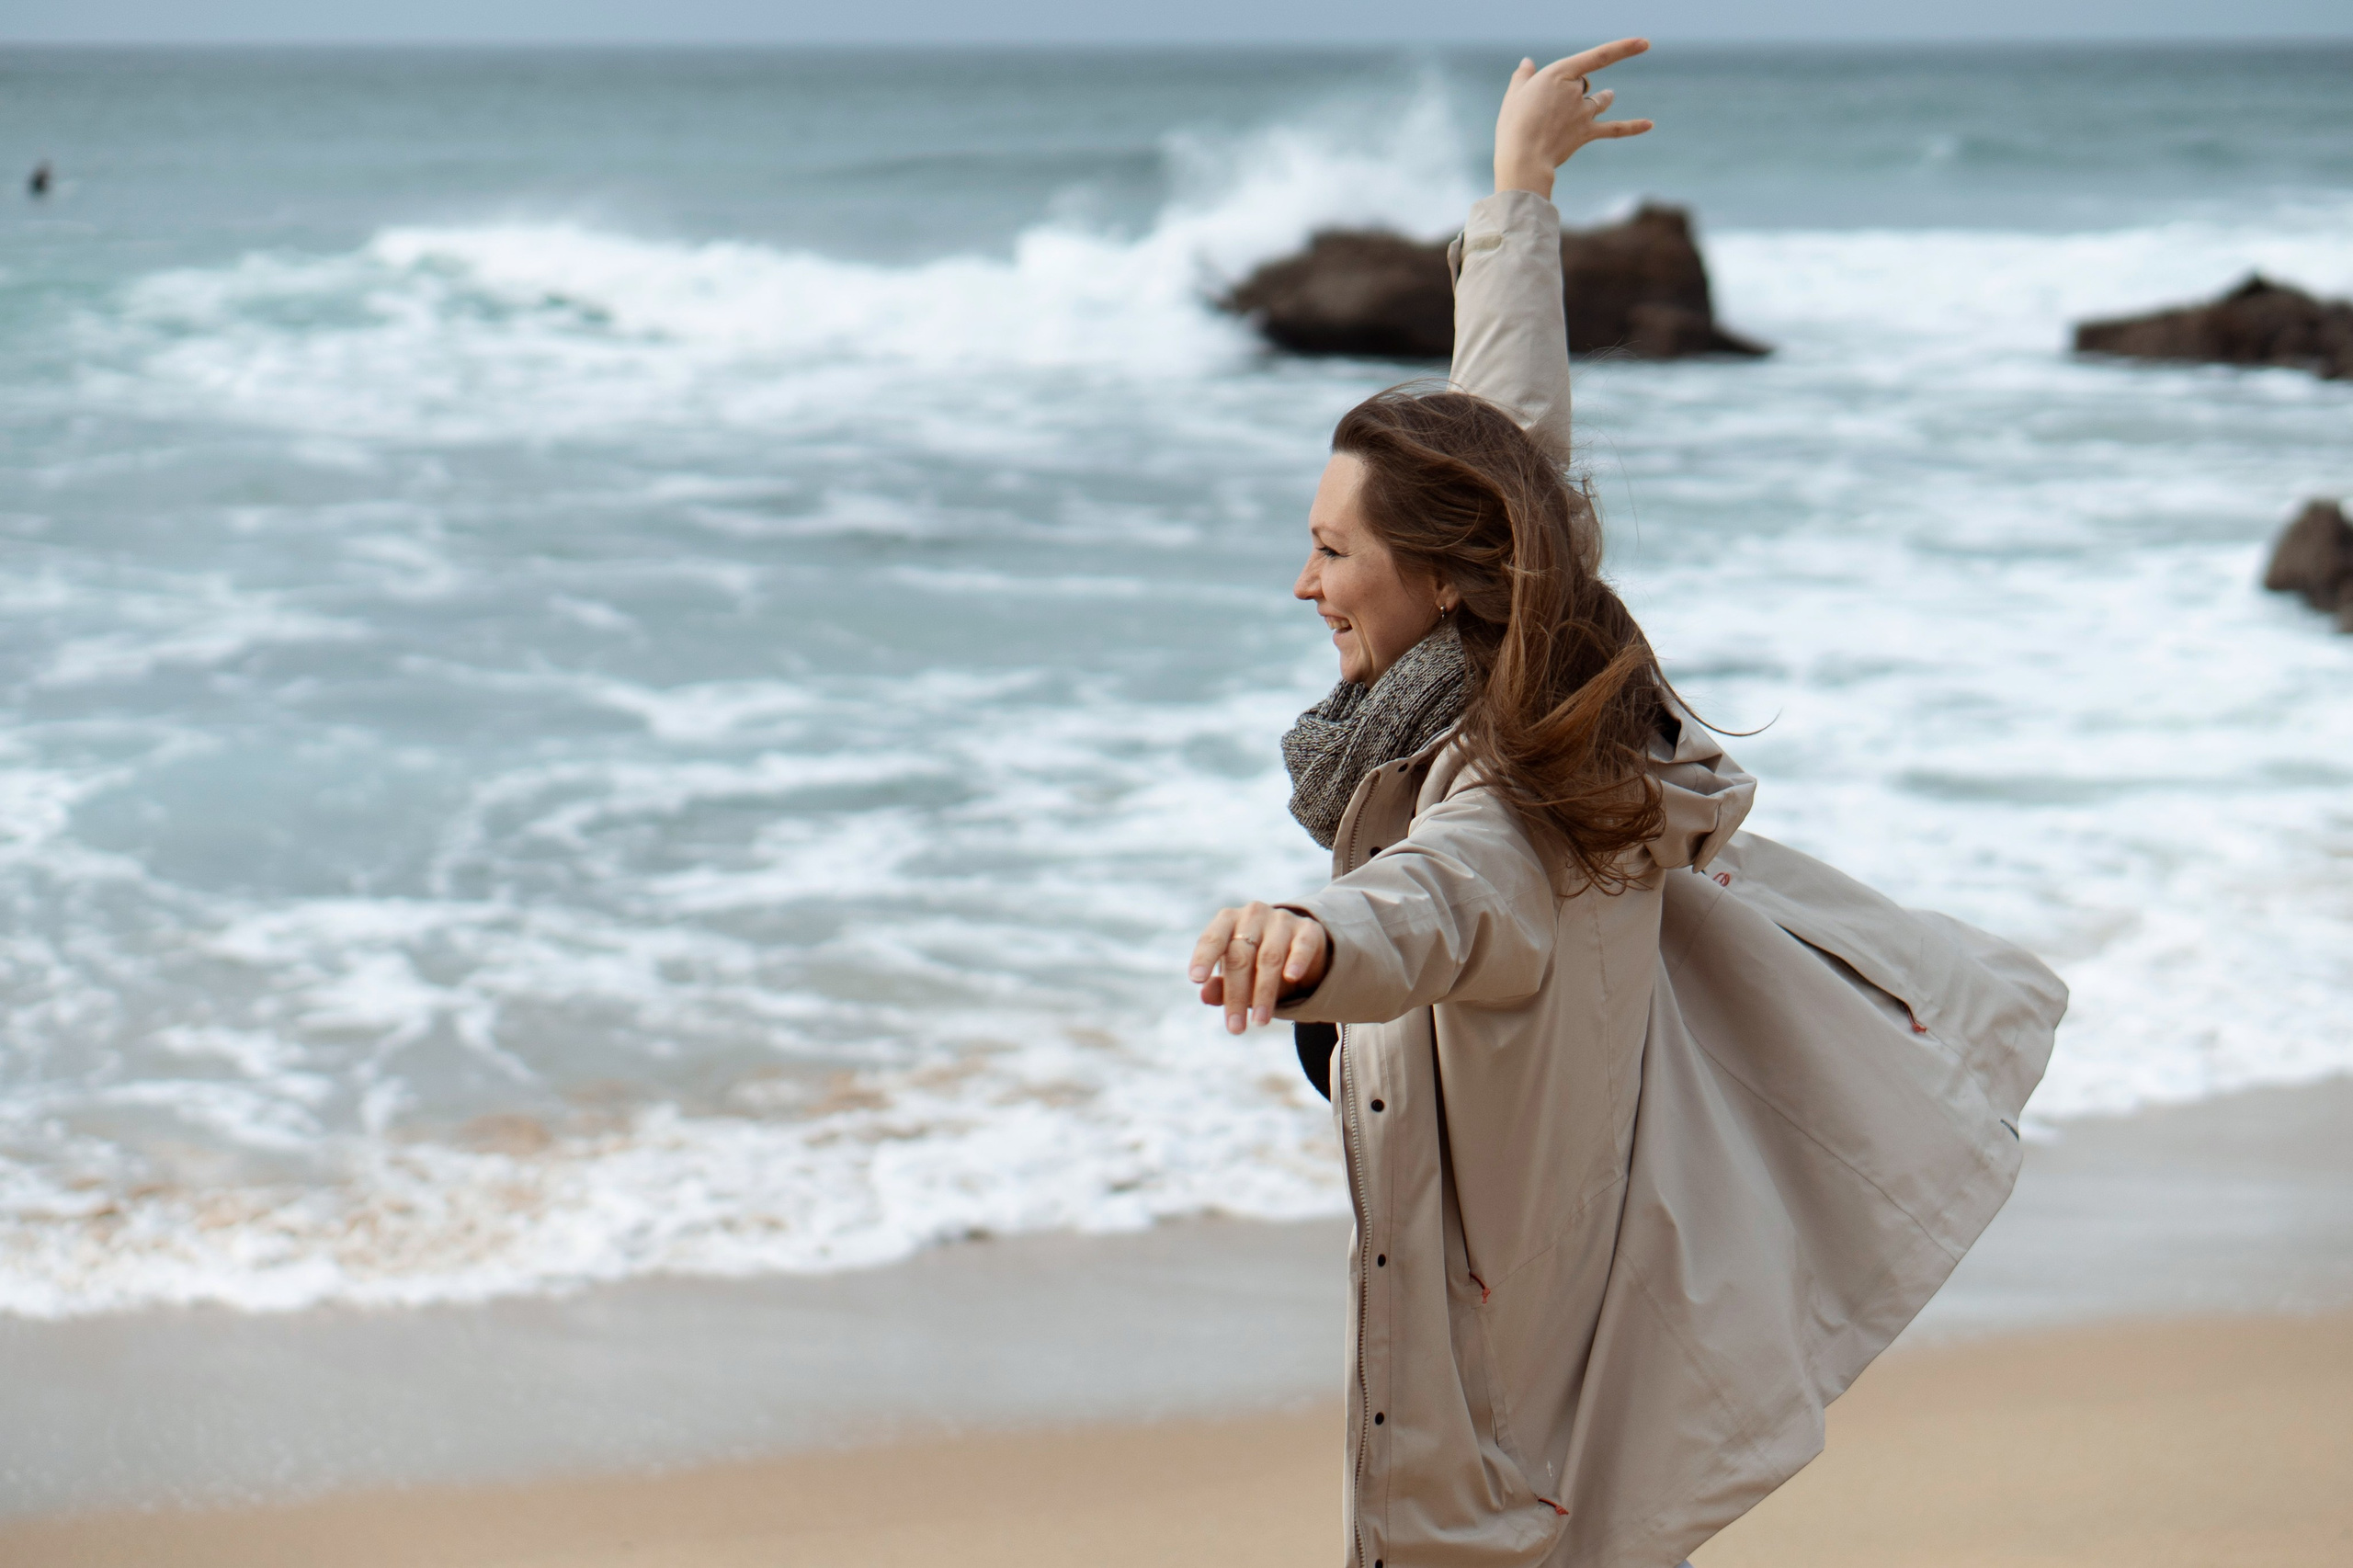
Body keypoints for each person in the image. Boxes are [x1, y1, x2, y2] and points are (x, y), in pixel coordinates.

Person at [1188, 39, 2067, 1568]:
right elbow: (1509, 435)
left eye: (1333, 551)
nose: (1303, 582)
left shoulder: (1512, 789)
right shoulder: (1512, 635)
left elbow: (1444, 894)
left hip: (1507, 1374)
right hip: (1576, 1234)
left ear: (1442, 578)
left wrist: (1309, 933)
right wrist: (1519, 194)